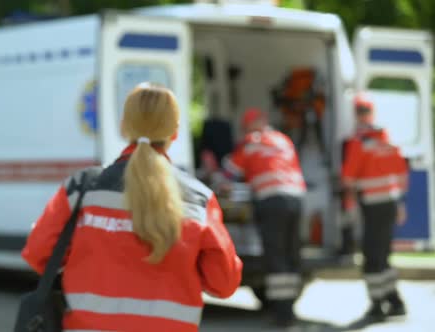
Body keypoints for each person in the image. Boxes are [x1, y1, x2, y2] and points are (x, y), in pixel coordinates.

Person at [21, 83, 243, 332]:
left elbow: (38, 254)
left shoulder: (81, 189)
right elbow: (224, 283)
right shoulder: (199, 200)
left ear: (124, 126)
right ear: (175, 132)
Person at [222, 108, 306, 327]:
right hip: (296, 199)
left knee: (276, 255)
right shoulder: (283, 140)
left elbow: (229, 174)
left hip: (272, 201)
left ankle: (282, 315)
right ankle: (289, 309)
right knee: (290, 254)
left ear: (250, 125)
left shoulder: (250, 142)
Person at [341, 94, 408, 320]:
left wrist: (348, 206)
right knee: (383, 255)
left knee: (372, 257)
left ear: (356, 114)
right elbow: (401, 173)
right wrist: (399, 203)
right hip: (389, 203)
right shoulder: (387, 139)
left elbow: (348, 178)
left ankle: (378, 305)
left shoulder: (358, 141)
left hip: (371, 206)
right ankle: (395, 301)